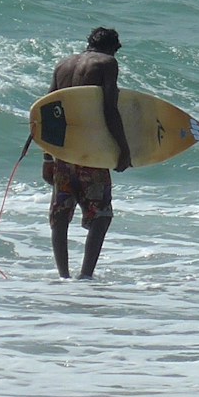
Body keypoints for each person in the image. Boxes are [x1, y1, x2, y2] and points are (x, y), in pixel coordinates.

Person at [45, 27, 133, 279]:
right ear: (114, 47)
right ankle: (85, 276)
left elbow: (47, 111)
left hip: (63, 151)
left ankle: (63, 275)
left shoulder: (63, 65)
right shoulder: (107, 63)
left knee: (61, 214)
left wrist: (46, 157)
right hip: (91, 151)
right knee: (101, 215)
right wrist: (123, 149)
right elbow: (110, 108)